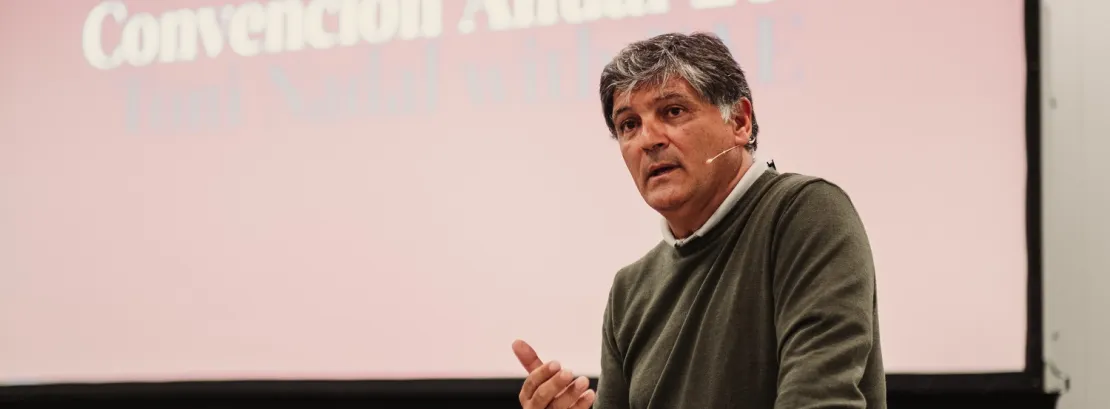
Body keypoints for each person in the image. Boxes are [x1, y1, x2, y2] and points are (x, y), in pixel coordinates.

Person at [511, 32, 886, 409]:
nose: (648, 140)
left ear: (739, 121)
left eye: (673, 111)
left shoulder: (805, 214)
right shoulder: (630, 289)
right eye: (629, 124)